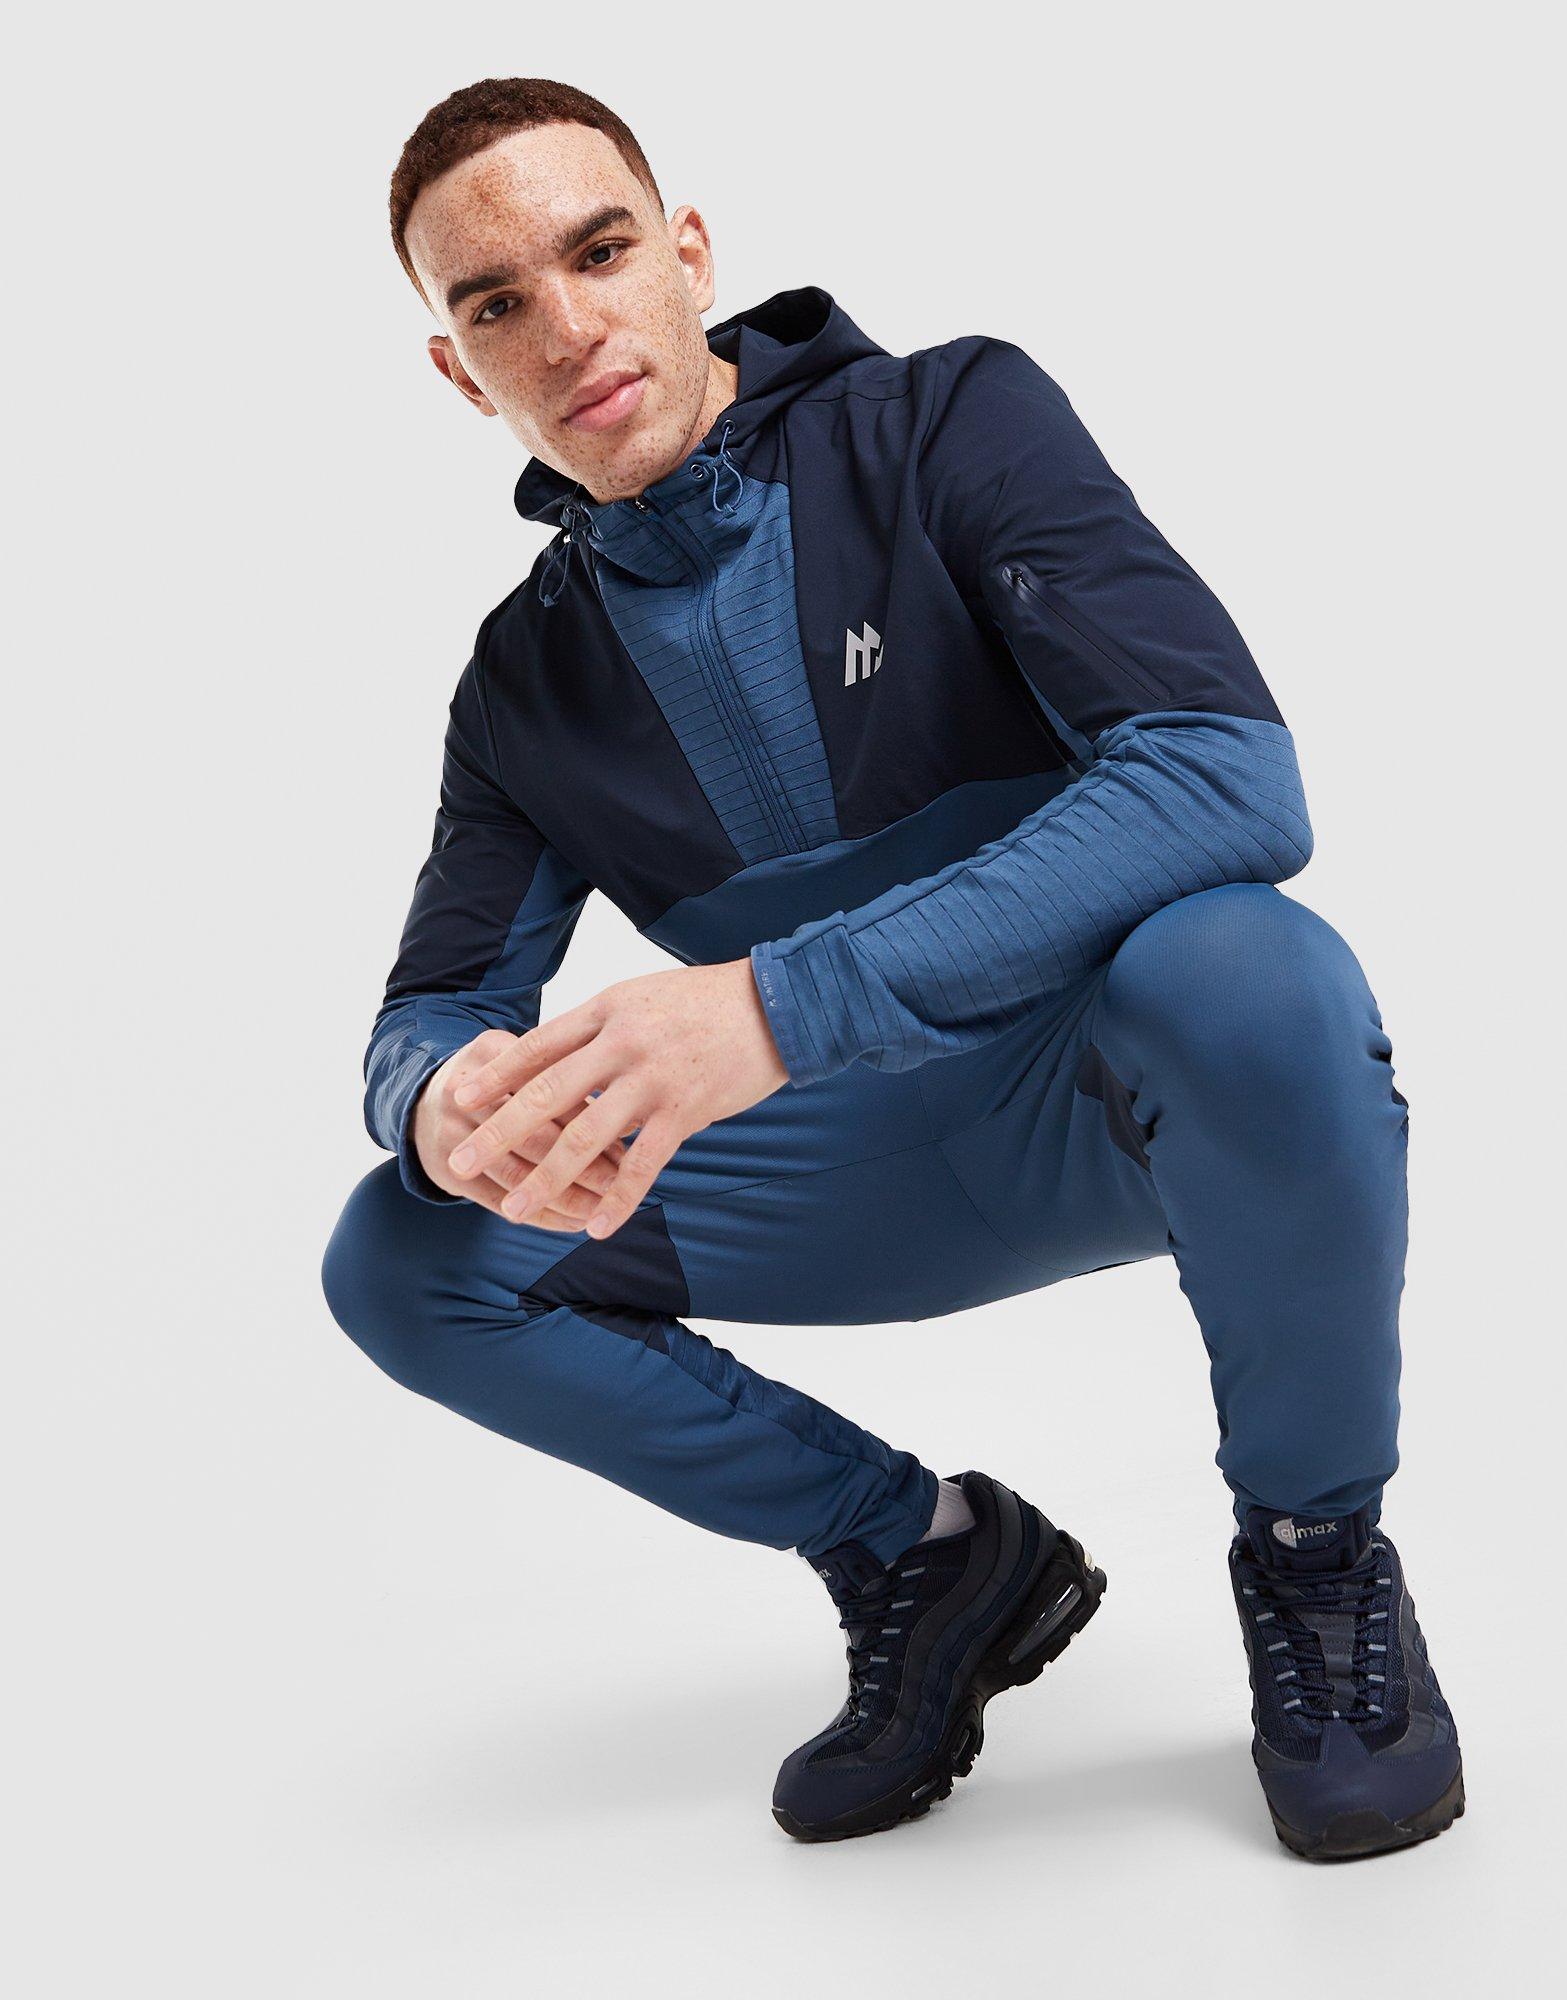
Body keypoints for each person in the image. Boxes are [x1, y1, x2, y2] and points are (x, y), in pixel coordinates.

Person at [321, 76, 1462, 1858]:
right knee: (410, 1256)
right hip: (845, 1173)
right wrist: (441, 1096)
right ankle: (925, 1560)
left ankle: (1318, 1562)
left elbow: (1226, 777)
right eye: (497, 304)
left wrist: (776, 1003)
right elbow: (430, 1007)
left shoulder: (945, 422)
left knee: (1255, 972)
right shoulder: (521, 679)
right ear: (462, 373)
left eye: (599, 254)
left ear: (688, 254)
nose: (567, 327)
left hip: (1107, 1099)